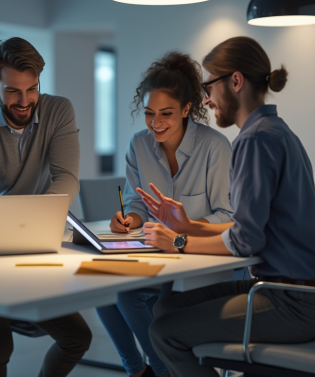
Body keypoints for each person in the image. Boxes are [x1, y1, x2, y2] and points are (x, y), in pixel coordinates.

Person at [139, 36, 315, 377]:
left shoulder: (255, 139)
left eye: (209, 86)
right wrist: (190, 226)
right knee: (165, 308)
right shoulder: (277, 131)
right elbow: (254, 227)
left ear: (235, 81)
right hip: (292, 291)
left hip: (291, 300)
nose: (206, 98)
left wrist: (178, 242)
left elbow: (245, 242)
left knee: (163, 332)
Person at [96, 52, 233, 377]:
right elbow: (137, 203)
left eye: (166, 113)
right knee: (102, 291)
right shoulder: (138, 145)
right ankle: (137, 370)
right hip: (159, 256)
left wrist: (185, 228)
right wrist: (130, 219)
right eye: (149, 114)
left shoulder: (214, 147)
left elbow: (229, 215)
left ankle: (163, 371)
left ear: (187, 109)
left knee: (127, 296)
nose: (156, 123)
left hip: (202, 261)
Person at [0, 37, 92, 377]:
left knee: (78, 338)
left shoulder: (58, 110)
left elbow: (67, 178)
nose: (25, 101)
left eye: (32, 89)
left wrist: (37, 221)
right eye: (13, 91)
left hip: (40, 244)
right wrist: (2, 230)